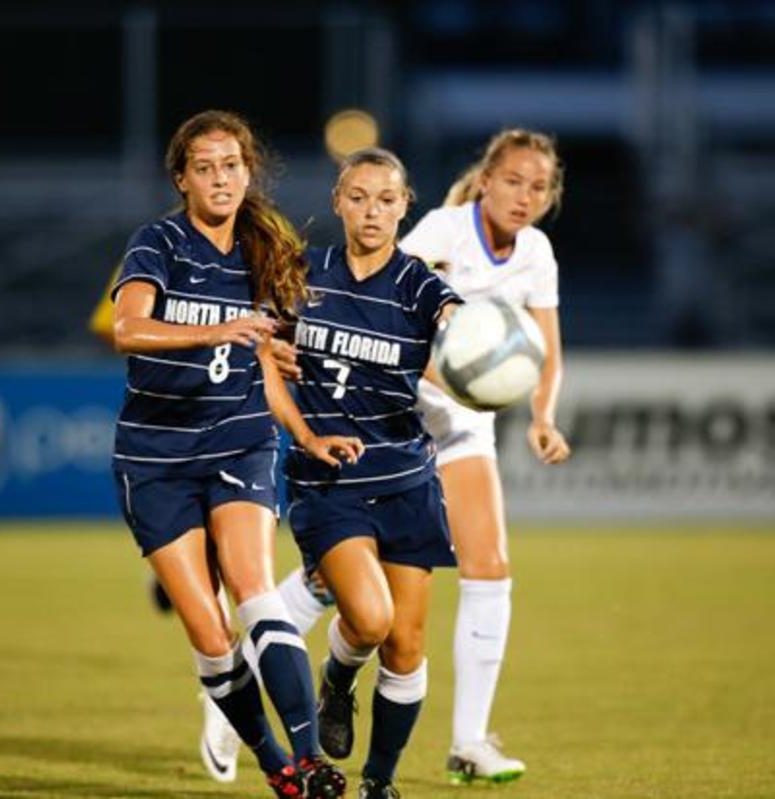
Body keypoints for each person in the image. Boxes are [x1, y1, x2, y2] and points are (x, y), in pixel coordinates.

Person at [109, 110, 362, 799]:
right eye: (205, 167)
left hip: (239, 439)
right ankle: (272, 758)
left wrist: (305, 430)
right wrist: (222, 329)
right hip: (155, 455)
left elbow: (270, 363)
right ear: (182, 179)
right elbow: (127, 329)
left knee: (255, 587)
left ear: (248, 173)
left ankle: (309, 762)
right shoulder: (158, 243)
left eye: (231, 165)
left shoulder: (265, 249)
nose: (220, 178)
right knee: (210, 633)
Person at [285, 148, 462, 799]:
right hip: (328, 483)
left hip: (407, 479)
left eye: (386, 199)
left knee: (406, 645)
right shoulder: (304, 275)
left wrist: (481, 350)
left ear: (404, 204)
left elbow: (458, 329)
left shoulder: (419, 284)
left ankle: (378, 782)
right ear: (337, 200)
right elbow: (268, 350)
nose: (372, 211)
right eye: (359, 196)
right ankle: (336, 679)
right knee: (368, 619)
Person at [399, 128, 572, 784]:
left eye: (538, 186)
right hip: (398, 405)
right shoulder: (444, 230)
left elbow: (548, 349)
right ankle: (239, 665)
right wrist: (436, 369)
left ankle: (469, 740)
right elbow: (385, 304)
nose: (524, 196)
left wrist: (543, 417)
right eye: (513, 181)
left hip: (463, 418)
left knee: (490, 566)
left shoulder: (536, 252)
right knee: (345, 587)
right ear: (487, 179)